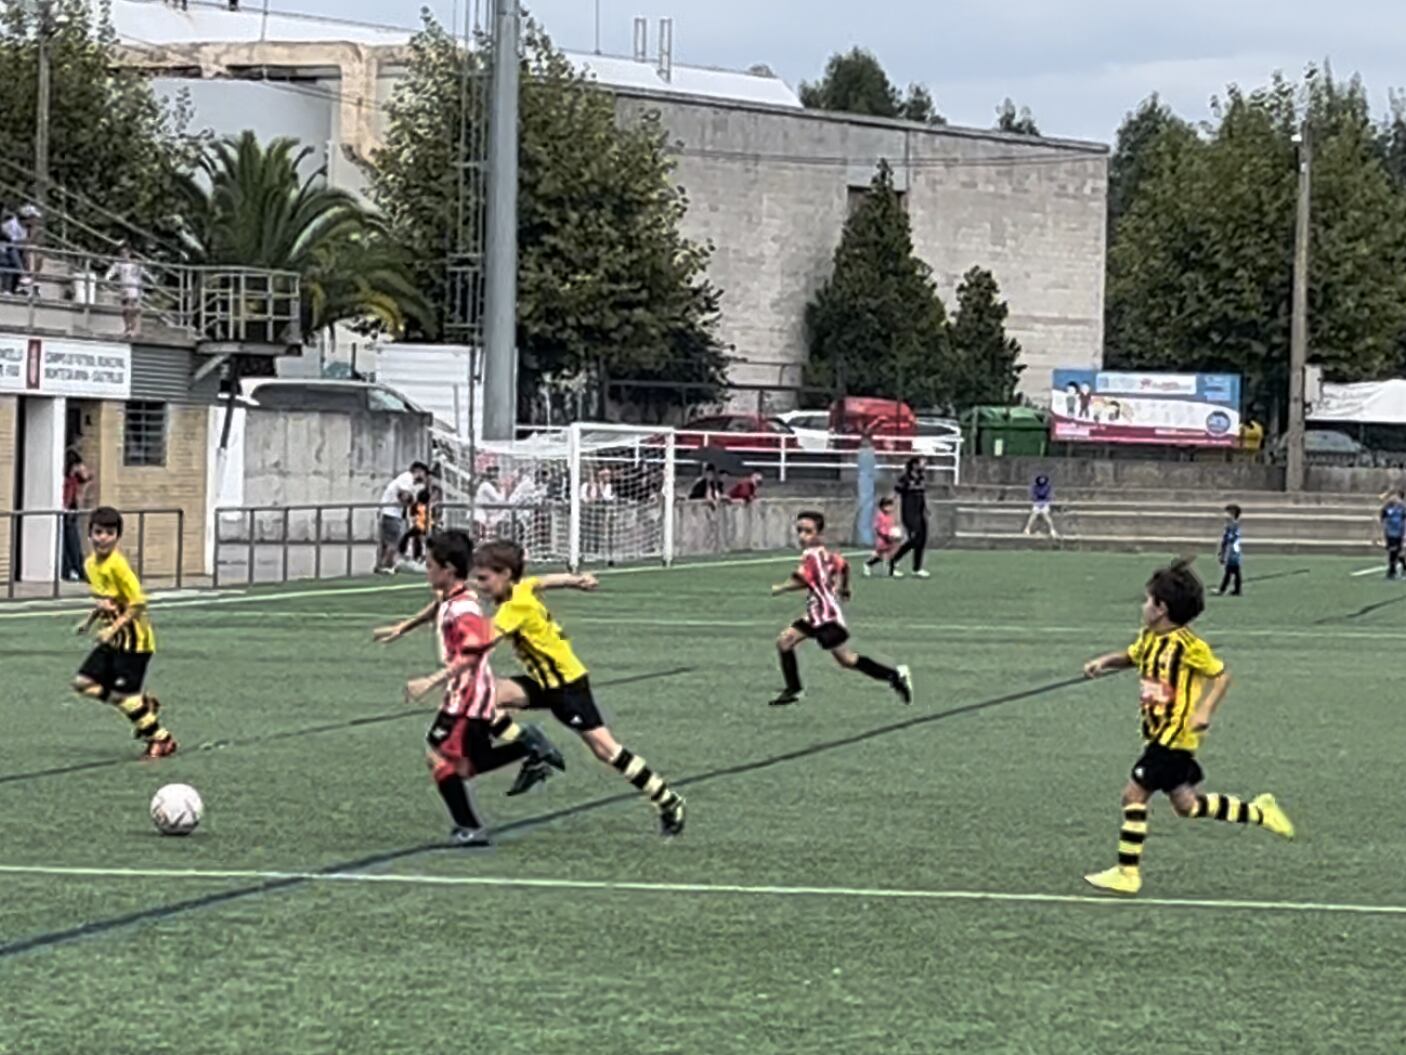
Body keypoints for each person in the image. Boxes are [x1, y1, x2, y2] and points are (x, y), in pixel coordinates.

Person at [1080, 558, 1294, 896]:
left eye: (1147, 600)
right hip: (1158, 733)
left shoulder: (1188, 646)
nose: (1143, 606)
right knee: (1187, 805)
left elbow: (1221, 674)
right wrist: (1105, 661)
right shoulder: (1150, 638)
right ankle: (1260, 811)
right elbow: (1133, 656)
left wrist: (1205, 710)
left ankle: (1127, 873)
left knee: (1133, 795)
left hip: (1174, 738)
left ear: (1161, 608)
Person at [472, 540, 687, 837]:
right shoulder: (520, 588)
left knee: (606, 750)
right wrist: (576, 580)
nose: (479, 585)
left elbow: (483, 641)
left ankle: (667, 799)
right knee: (481, 697)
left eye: (484, 578)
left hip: (567, 686)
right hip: (545, 681)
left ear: (506, 573)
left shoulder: (514, 607)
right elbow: (544, 580)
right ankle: (533, 749)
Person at [377, 531, 564, 846]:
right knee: (463, 765)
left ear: (448, 569)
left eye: (430, 564)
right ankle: (528, 745)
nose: (427, 570)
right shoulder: (453, 595)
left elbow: (473, 651)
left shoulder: (465, 609)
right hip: (470, 694)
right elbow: (435, 607)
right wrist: (403, 627)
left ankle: (470, 827)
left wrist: (431, 680)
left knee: (438, 758)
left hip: (466, 698)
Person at [769, 510, 913, 708]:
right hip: (815, 615)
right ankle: (794, 690)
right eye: (800, 531)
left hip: (826, 618)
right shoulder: (824, 554)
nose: (803, 536)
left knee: (846, 659)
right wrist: (845, 588)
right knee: (785, 641)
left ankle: (895, 675)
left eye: (808, 531)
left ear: (819, 534)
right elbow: (843, 565)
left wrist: (780, 588)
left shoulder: (812, 556)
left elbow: (802, 579)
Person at [71, 507, 177, 759]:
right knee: (82, 684)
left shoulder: (119, 566)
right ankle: (142, 705)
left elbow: (138, 602)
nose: (103, 538)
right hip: (114, 640)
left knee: (124, 698)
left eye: (109, 533)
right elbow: (105, 600)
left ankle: (162, 739)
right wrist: (89, 621)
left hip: (135, 643)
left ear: (117, 537)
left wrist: (112, 629)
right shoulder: (90, 565)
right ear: (90, 534)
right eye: (98, 532)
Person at [377, 461, 429, 572]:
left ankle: (382, 565)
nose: (425, 477)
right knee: (393, 542)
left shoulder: (406, 480)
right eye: (424, 473)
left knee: (387, 541)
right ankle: (386, 566)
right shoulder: (407, 478)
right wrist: (413, 500)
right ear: (418, 471)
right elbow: (404, 496)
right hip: (391, 512)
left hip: (390, 512)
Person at [888, 457, 930, 579]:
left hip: (920, 513)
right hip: (909, 513)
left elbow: (921, 495)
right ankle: (894, 560)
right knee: (914, 539)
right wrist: (891, 510)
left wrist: (925, 509)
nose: (924, 465)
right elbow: (895, 494)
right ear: (914, 465)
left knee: (922, 540)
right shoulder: (905, 479)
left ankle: (917, 568)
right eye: (921, 462)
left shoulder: (921, 478)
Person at [61, 449, 93, 582]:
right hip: (66, 512)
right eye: (75, 466)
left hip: (72, 511)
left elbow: (87, 478)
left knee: (73, 541)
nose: (77, 469)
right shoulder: (66, 479)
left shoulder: (74, 478)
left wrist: (82, 470)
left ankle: (75, 569)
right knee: (69, 542)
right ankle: (72, 569)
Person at [104, 244, 144, 338]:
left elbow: (141, 275)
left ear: (129, 253)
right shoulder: (118, 264)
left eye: (125, 253)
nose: (123, 255)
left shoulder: (135, 264)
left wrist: (140, 289)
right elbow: (111, 272)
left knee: (132, 309)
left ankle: (132, 329)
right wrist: (106, 279)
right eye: (122, 253)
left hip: (133, 289)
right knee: (125, 310)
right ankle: (127, 328)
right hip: (124, 289)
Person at [863, 496, 902, 577]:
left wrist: (894, 533)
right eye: (887, 506)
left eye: (890, 506)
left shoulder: (890, 516)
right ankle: (868, 564)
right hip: (883, 540)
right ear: (882, 506)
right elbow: (878, 527)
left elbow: (891, 527)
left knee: (892, 554)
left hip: (890, 539)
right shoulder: (879, 516)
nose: (889, 508)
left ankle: (892, 571)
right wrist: (885, 534)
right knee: (881, 556)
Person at [1216, 504, 1243, 596]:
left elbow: (1232, 538)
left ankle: (1223, 589)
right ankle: (1236, 589)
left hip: (1232, 550)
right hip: (1232, 550)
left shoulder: (1234, 525)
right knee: (1234, 570)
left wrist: (1225, 551)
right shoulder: (1231, 525)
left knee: (1231, 570)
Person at [1023, 474, 1059, 539]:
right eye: (1040, 479)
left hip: (1045, 503)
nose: (1042, 480)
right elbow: (1033, 495)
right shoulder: (1035, 487)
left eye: (1043, 479)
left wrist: (1044, 502)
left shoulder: (1048, 487)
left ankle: (1052, 529)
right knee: (1033, 514)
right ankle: (1027, 528)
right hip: (1037, 503)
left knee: (1045, 514)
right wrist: (1037, 501)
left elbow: (1049, 496)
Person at [1380, 490, 1406, 580]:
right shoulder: (1387, 508)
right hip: (1390, 532)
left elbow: (1404, 520)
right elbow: (1383, 520)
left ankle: (1393, 570)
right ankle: (1393, 569)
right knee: (1393, 551)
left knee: (1396, 551)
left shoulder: (1402, 508)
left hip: (1399, 532)